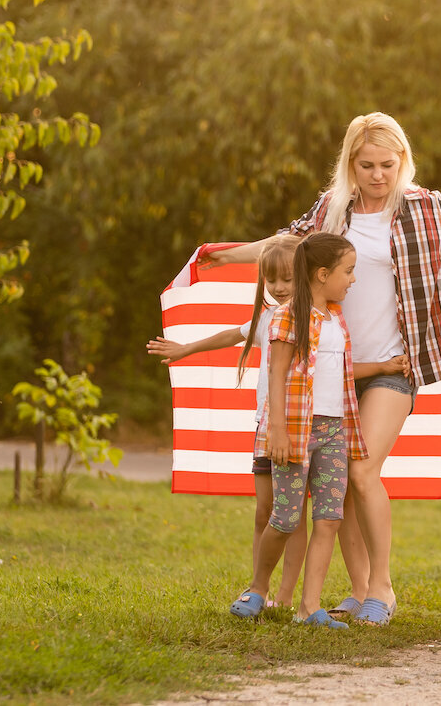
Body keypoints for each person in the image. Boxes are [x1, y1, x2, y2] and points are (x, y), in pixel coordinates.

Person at [204, 112, 441, 626]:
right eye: (366, 165)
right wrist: (225, 256)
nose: (378, 175)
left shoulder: (426, 208)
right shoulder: (331, 212)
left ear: (403, 161)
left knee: (361, 470)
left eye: (388, 164)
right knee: (337, 479)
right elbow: (281, 245)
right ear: (350, 164)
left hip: (394, 364)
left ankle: (382, 589)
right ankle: (361, 590)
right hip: (336, 373)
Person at [147, 235, 310, 609]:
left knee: (295, 513)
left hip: (301, 427)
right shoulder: (268, 317)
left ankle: (286, 596)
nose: (280, 287)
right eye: (272, 280)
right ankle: (259, 589)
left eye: (287, 278)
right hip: (266, 426)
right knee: (264, 510)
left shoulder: (317, 319)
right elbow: (232, 335)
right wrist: (185, 348)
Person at [230, 233, 365, 627]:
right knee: (286, 518)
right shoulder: (289, 315)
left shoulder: (336, 315)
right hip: (294, 428)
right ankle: (257, 587)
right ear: (322, 274)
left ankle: (309, 607)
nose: (352, 279)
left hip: (333, 430)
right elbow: (276, 371)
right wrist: (276, 429)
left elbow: (340, 372)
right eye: (348, 271)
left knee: (329, 518)